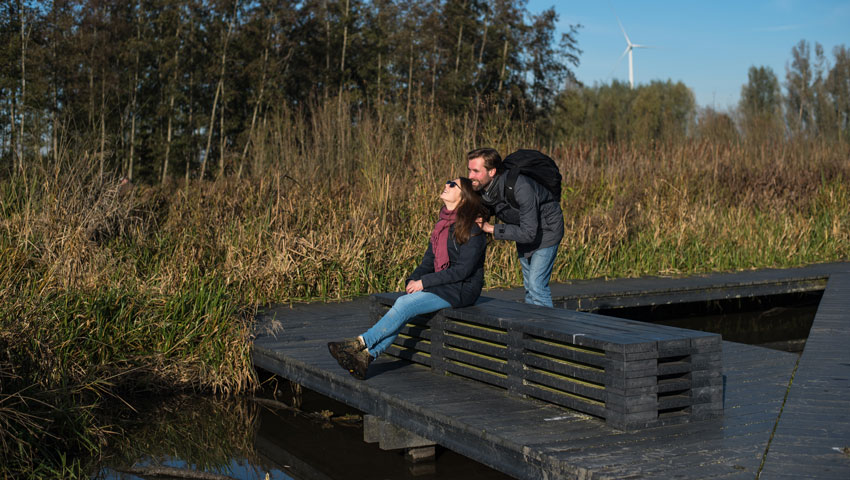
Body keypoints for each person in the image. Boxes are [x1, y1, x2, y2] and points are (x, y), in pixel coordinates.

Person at [328, 177, 489, 380]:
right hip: (442, 284)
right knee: (405, 304)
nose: (446, 185)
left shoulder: (473, 229)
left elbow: (462, 271)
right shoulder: (442, 226)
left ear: (464, 198)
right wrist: (413, 280)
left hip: (462, 288)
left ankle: (359, 343)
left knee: (404, 304)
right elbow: (428, 262)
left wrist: (424, 283)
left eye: (452, 184)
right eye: (447, 182)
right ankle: (365, 358)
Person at [467, 148, 564, 307]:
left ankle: (545, 322)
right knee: (529, 286)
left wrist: (491, 229)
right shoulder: (482, 189)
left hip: (547, 231)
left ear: (492, 172)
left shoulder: (520, 187)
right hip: (522, 229)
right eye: (469, 170)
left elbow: (528, 233)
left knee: (536, 285)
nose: (471, 176)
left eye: (476, 171)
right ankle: (532, 321)